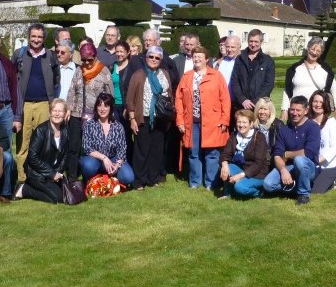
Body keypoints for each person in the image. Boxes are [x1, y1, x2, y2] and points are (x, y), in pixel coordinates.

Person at [175, 46, 230, 189]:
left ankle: (211, 183)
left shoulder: (216, 76)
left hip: (213, 122)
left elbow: (225, 99)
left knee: (212, 154)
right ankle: (195, 182)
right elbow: (179, 100)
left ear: (207, 59)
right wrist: (179, 120)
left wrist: (225, 120)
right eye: (195, 56)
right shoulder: (187, 76)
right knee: (193, 154)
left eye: (200, 56)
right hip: (191, 122)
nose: (197, 58)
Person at [14, 23, 60, 183]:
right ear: (29, 37)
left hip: (43, 104)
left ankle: (41, 175)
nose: (36, 39)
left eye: (40, 37)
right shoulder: (19, 54)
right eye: (33, 36)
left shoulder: (50, 56)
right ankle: (22, 177)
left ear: (44, 38)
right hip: (24, 104)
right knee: (23, 141)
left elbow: (56, 79)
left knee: (43, 141)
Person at [126, 46, 173, 189]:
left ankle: (153, 178)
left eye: (157, 58)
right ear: (146, 58)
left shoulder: (164, 73)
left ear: (161, 60)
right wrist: (132, 119)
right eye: (151, 57)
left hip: (160, 117)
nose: (153, 59)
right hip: (143, 117)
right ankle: (139, 180)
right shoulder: (138, 74)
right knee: (142, 150)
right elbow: (130, 100)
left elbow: (169, 93)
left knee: (156, 150)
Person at [65, 44, 113, 180]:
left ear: (95, 57)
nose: (86, 63)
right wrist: (68, 108)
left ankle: (92, 177)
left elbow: (110, 95)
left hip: (95, 115)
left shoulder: (104, 71)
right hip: (77, 114)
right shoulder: (79, 71)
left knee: (92, 148)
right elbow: (72, 90)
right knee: (74, 147)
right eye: (83, 60)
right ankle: (72, 178)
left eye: (89, 60)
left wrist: (107, 114)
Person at [262, 95, 320, 205]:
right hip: (289, 166)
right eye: (292, 110)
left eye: (298, 110)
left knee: (299, 160)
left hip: (309, 167)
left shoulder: (313, 127)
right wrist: (283, 171)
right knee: (268, 185)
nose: (294, 113)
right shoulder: (284, 129)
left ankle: (303, 195)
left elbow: (308, 153)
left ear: (306, 111)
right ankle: (295, 187)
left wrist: (287, 154)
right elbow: (277, 155)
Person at [282, 36, 336, 122]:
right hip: (297, 112)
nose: (314, 52)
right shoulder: (294, 69)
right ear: (308, 48)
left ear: (321, 53)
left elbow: (334, 89)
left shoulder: (325, 69)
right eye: (313, 49)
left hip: (317, 113)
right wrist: (284, 109)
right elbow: (287, 90)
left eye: (318, 51)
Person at [79, 93, 135, 186]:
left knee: (128, 177)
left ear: (111, 108)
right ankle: (94, 178)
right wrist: (104, 158)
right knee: (87, 165)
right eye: (99, 105)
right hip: (95, 159)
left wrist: (117, 165)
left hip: (113, 158)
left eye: (106, 106)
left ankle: (111, 177)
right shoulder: (89, 124)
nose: (102, 109)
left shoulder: (118, 126)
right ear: (96, 107)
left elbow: (122, 149)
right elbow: (87, 148)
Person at [21, 98, 70, 204]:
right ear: (49, 113)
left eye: (60, 111)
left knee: (65, 195)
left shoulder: (65, 130)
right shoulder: (41, 130)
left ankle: (45, 186)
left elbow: (65, 155)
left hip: (52, 173)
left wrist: (58, 173)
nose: (57, 114)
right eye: (54, 111)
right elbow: (32, 157)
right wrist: (52, 174)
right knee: (56, 199)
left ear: (65, 114)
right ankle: (24, 189)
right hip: (36, 174)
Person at [218, 109, 270, 199]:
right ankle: (228, 194)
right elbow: (225, 153)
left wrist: (240, 176)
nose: (241, 125)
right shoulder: (234, 135)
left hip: (257, 174)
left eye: (244, 122)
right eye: (239, 122)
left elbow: (258, 164)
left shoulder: (259, 137)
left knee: (239, 187)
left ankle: (258, 192)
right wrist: (224, 164)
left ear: (251, 124)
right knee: (225, 168)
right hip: (241, 168)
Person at [232, 29, 275, 111]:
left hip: (260, 106)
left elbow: (269, 84)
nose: (253, 44)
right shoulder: (239, 58)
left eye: (256, 41)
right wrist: (242, 99)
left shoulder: (268, 61)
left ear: (261, 42)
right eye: (251, 41)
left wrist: (255, 101)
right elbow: (235, 81)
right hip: (241, 105)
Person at [308, 90, 336, 194]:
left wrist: (318, 160)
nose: (318, 105)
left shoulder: (331, 122)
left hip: (329, 165)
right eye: (315, 101)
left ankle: (332, 182)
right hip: (312, 165)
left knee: (315, 192)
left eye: (321, 102)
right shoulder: (308, 122)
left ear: (325, 104)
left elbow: (335, 146)